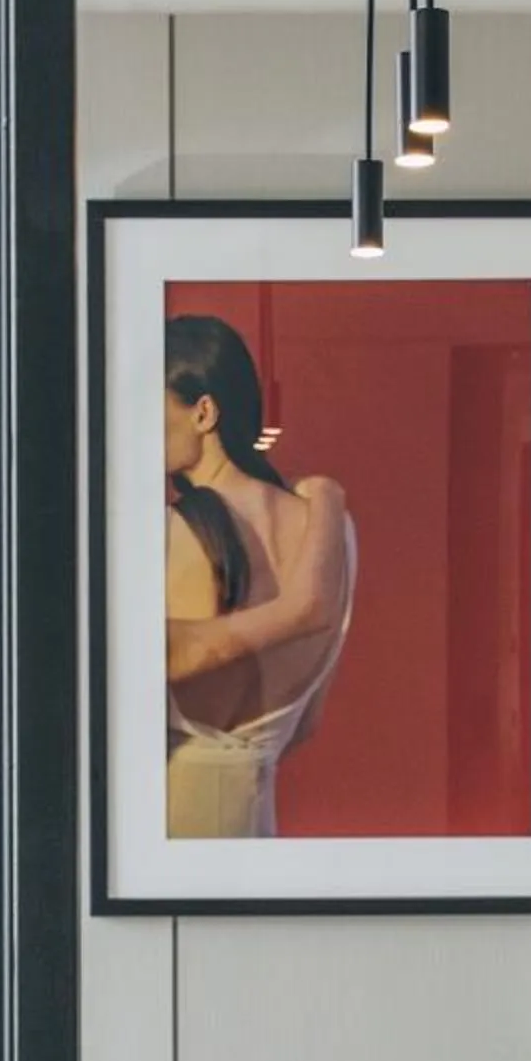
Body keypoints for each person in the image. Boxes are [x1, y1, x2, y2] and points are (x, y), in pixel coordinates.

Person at [161, 315, 355, 838]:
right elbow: (308, 719)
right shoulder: (330, 531)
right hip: (258, 822)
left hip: (170, 825)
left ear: (203, 412)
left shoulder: (169, 531)